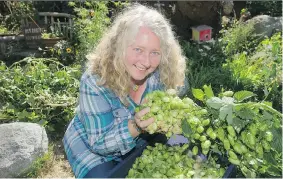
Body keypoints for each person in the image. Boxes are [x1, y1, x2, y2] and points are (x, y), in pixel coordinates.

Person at [63, 3, 186, 178]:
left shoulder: (160, 74)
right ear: (119, 46)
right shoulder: (95, 81)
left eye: (155, 52)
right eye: (138, 49)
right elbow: (99, 143)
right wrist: (136, 126)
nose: (146, 62)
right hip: (93, 144)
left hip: (137, 140)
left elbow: (179, 90)